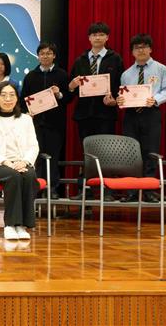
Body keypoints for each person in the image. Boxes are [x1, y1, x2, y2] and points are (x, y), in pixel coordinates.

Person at [115, 34, 166, 202]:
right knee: (131, 152)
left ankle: (148, 191)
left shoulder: (161, 69)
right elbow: (123, 94)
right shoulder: (126, 74)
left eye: (144, 47)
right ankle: (132, 191)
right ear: (132, 52)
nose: (140, 50)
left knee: (151, 151)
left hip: (151, 113)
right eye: (137, 48)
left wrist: (155, 100)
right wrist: (120, 100)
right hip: (131, 115)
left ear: (150, 49)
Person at [67, 22, 123, 199]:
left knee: (107, 153)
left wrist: (115, 100)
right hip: (84, 115)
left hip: (105, 114)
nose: (97, 37)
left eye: (101, 34)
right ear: (89, 38)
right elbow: (71, 90)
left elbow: (121, 85)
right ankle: (86, 191)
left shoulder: (115, 59)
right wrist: (71, 86)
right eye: (94, 35)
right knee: (87, 154)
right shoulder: (80, 60)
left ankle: (108, 190)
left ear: (107, 37)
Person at [0, 81, 40, 241]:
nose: (8, 99)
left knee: (29, 175)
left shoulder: (26, 119)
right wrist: (6, 162)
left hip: (21, 162)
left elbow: (33, 146)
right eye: (4, 95)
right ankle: (10, 225)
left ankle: (22, 225)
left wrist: (25, 162)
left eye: (12, 95)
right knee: (14, 176)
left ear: (17, 98)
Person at [20, 42, 72, 198]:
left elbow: (69, 98)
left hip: (55, 124)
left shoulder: (62, 75)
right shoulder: (31, 76)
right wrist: (27, 112)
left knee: (53, 157)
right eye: (42, 53)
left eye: (49, 53)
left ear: (54, 55)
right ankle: (37, 187)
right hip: (35, 124)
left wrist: (59, 94)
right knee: (36, 157)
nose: (45, 56)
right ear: (38, 56)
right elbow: (23, 100)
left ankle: (52, 188)